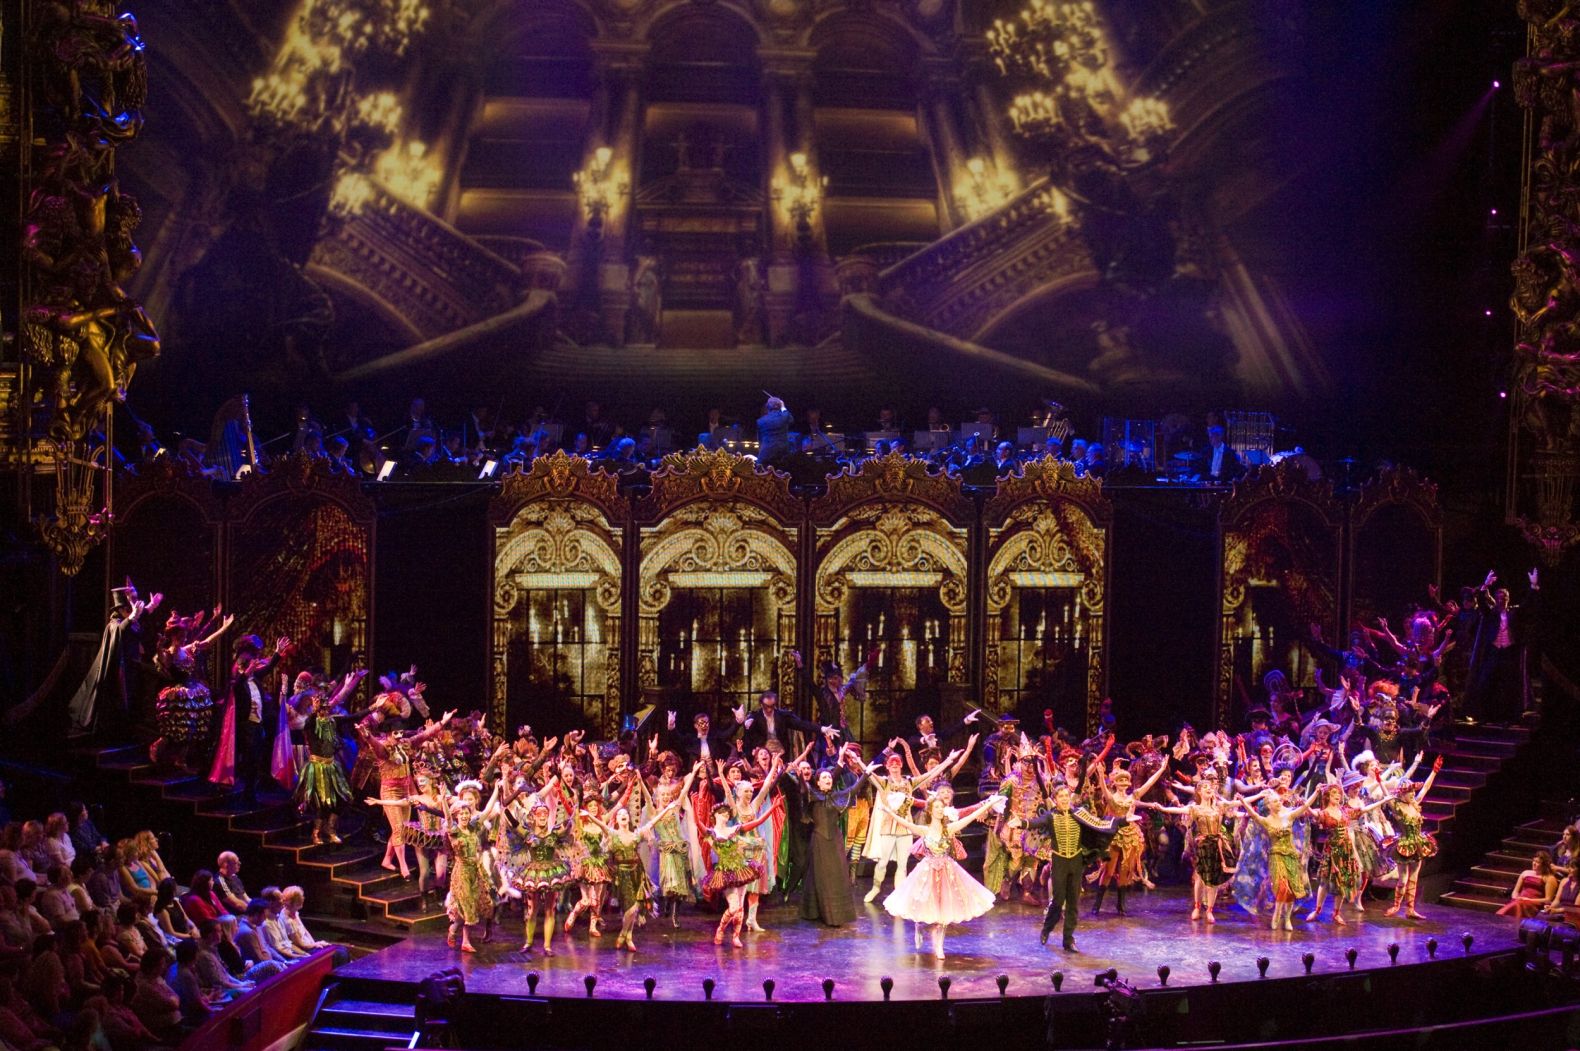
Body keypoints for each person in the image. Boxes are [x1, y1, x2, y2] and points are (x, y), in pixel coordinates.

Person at [878, 788, 1004, 959]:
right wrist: (887, 810)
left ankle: (939, 947)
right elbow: (904, 823)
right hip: (927, 871)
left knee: (943, 913)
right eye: (936, 807)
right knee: (925, 907)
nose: (939, 809)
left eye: (941, 807)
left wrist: (989, 803)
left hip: (946, 871)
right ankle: (920, 927)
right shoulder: (924, 830)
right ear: (930, 810)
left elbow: (970, 817)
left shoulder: (949, 829)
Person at [1026, 783, 1119, 952]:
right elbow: (1035, 823)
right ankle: (1046, 929)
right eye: (1060, 796)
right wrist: (1021, 823)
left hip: (1075, 861)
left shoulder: (1078, 814)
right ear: (1055, 799)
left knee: (1073, 903)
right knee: (1058, 901)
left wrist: (1125, 821)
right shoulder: (1051, 816)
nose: (1064, 799)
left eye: (1066, 796)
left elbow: (1100, 824)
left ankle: (1068, 940)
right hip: (1060, 861)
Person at [797, 747, 864, 927]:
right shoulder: (814, 795)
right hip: (819, 840)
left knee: (836, 876)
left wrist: (866, 774)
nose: (827, 779)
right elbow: (804, 788)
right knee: (820, 877)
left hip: (835, 841)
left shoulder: (837, 796)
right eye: (823, 778)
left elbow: (854, 789)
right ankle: (821, 913)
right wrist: (799, 776)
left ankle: (836, 915)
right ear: (817, 782)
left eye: (829, 777)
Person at [1500, 850, 1559, 919]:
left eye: (1537, 862)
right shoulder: (1525, 873)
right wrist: (1515, 898)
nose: (1534, 863)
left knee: (1518, 904)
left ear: (1544, 865)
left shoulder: (1549, 878)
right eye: (1534, 861)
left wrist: (1528, 900)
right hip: (1520, 901)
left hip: (1534, 904)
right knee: (1516, 904)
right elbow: (1515, 891)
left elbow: (1548, 899)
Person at [756, 395, 794, 467]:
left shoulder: (760, 421)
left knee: (759, 469)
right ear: (779, 406)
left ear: (767, 407)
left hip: (766, 451)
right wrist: (783, 406)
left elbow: (760, 439)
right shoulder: (784, 417)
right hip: (783, 452)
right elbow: (791, 420)